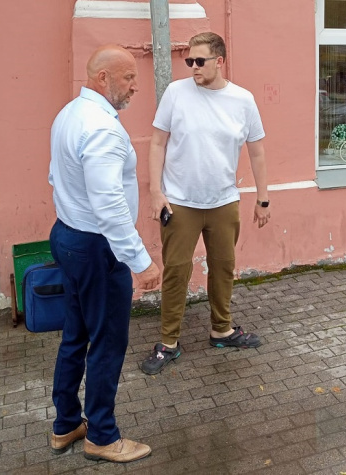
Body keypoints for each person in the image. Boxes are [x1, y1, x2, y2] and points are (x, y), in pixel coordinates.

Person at [48, 44, 160, 463]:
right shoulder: (102, 129)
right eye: (128, 77)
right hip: (96, 248)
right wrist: (141, 262)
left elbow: (55, 176)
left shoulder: (70, 114)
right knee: (108, 342)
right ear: (102, 78)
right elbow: (109, 206)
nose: (135, 86)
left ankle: (66, 425)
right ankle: (102, 436)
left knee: (75, 336)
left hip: (68, 236)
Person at [141, 32, 270, 375]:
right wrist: (156, 191)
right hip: (179, 203)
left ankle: (221, 330)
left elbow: (256, 151)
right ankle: (168, 343)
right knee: (176, 271)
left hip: (223, 201)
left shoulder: (242, 100)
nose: (194, 67)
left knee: (224, 267)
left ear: (220, 61)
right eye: (190, 61)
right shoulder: (176, 93)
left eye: (200, 61)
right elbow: (157, 143)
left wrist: (263, 198)